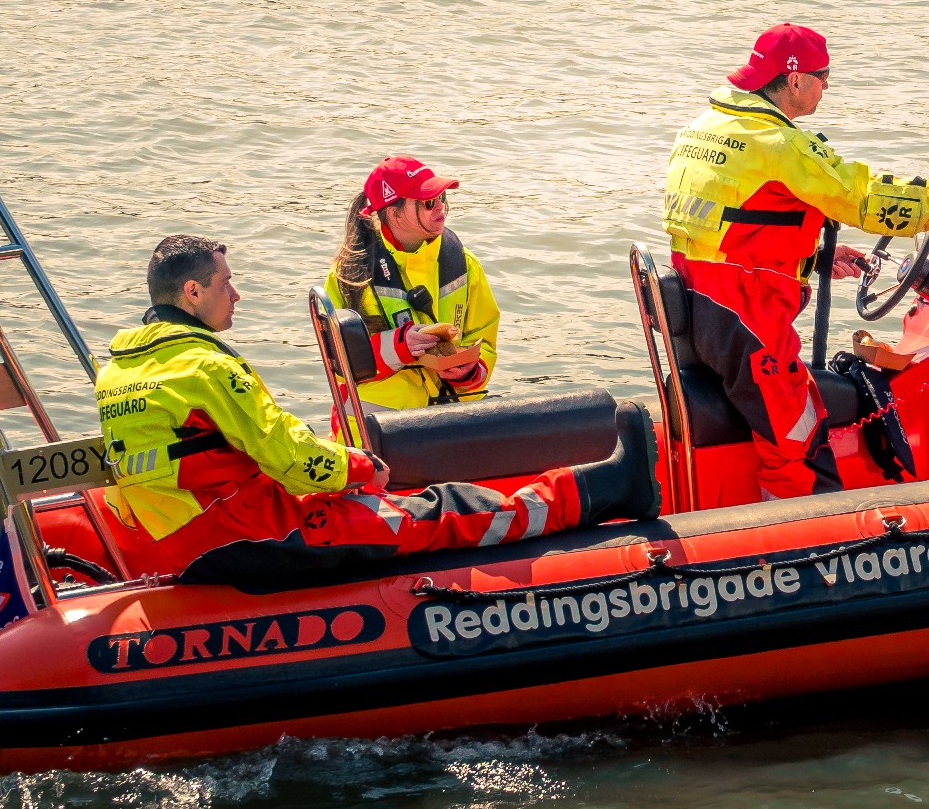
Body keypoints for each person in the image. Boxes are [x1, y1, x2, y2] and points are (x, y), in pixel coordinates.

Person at [95, 235, 644, 575]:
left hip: (184, 537)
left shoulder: (117, 371)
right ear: (192, 293)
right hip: (243, 534)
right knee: (442, 509)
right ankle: (604, 490)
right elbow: (286, 452)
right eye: (226, 284)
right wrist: (359, 467)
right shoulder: (204, 367)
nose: (235, 295)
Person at [663, 22, 929, 500]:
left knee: (794, 421)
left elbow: (726, 233)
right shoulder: (780, 144)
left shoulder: (703, 129)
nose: (827, 86)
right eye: (823, 75)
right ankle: (799, 556)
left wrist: (816, 260)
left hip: (701, 309)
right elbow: (869, 200)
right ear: (794, 81)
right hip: (745, 315)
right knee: (797, 442)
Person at [324, 156, 497, 409]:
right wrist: (397, 347)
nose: (439, 207)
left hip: (453, 417)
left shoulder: (465, 262)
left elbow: (485, 337)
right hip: (378, 424)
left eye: (442, 199)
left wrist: (471, 372)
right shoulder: (349, 272)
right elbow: (338, 361)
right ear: (394, 214)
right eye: (428, 202)